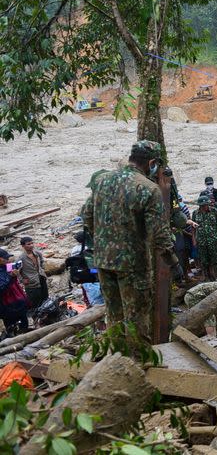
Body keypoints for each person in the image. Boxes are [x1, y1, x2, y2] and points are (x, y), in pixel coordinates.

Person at [82, 140, 182, 343]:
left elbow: (86, 216)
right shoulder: (148, 189)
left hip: (103, 262)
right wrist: (173, 262)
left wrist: (103, 241)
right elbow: (159, 235)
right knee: (136, 319)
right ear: (152, 162)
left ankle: (117, 360)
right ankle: (138, 364)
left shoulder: (102, 180)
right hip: (133, 265)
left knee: (114, 316)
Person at [192, 196, 217, 280]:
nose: (204, 207)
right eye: (202, 205)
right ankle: (206, 277)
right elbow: (193, 228)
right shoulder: (195, 213)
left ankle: (216, 276)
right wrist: (194, 240)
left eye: (206, 205)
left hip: (213, 240)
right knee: (203, 261)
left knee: (215, 259)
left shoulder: (214, 211)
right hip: (201, 241)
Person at [0, 249, 28, 336]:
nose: (7, 260)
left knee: (24, 323)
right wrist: (11, 277)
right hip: (7, 305)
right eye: (5, 258)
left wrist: (16, 271)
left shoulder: (6, 266)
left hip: (18, 300)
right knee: (11, 326)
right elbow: (1, 289)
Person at [17, 236, 48, 309]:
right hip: (31, 283)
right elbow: (16, 271)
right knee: (35, 303)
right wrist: (22, 280)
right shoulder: (21, 258)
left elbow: (42, 261)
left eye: (32, 243)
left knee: (45, 298)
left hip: (41, 278)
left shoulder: (37, 253)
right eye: (28, 244)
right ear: (23, 246)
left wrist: (42, 270)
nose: (31, 245)